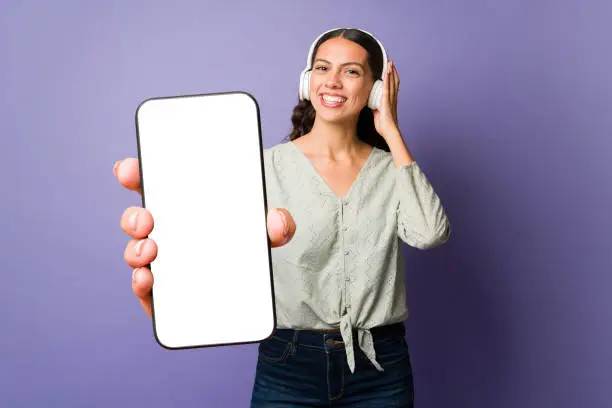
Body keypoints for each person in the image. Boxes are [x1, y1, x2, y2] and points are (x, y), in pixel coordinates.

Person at [114, 28, 451, 407]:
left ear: (376, 88)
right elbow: (216, 248)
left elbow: (429, 233)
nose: (334, 81)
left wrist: (390, 129)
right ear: (308, 81)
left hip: (380, 365)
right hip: (289, 362)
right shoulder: (265, 167)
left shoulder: (393, 171)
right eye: (323, 68)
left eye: (352, 72)